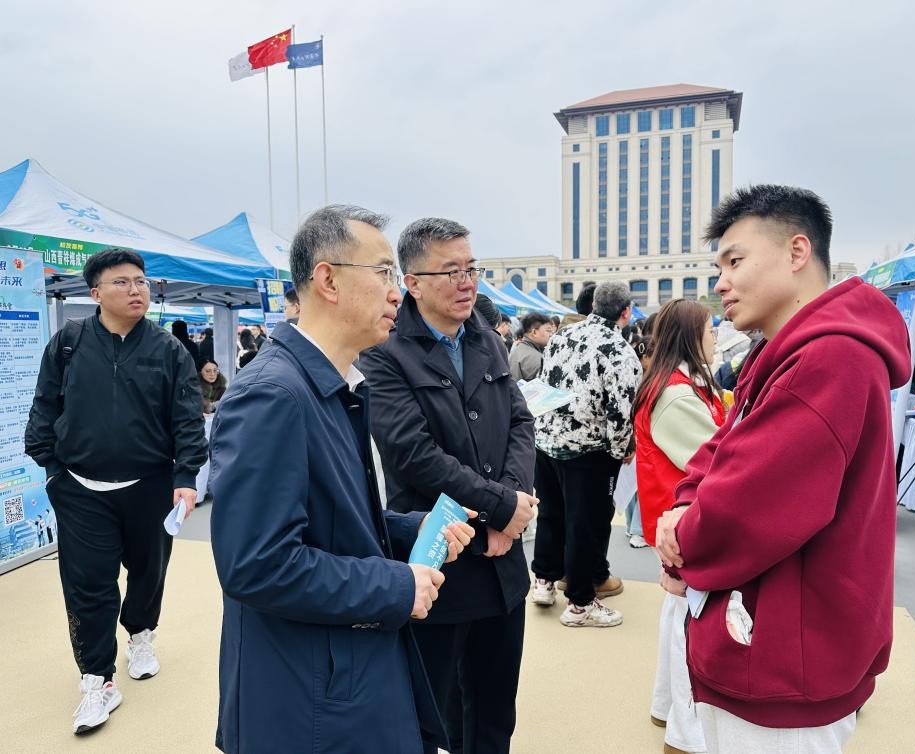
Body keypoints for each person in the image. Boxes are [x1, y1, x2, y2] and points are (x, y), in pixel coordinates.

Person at [209, 205, 475, 754]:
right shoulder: (273, 395)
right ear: (327, 280)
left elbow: (328, 519)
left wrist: (410, 528)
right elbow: (257, 564)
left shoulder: (334, 386)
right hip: (307, 696)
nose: (396, 293)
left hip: (339, 672)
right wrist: (396, 586)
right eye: (383, 273)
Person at [654, 185, 911, 752]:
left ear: (797, 252)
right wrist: (682, 507)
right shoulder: (782, 353)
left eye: (735, 261)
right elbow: (720, 450)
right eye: (719, 267)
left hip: (789, 651)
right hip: (779, 634)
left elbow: (747, 504)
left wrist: (682, 538)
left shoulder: (829, 358)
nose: (721, 282)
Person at [360, 217, 537, 754]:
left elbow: (521, 423)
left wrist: (511, 507)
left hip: (503, 566)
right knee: (432, 715)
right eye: (451, 271)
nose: (467, 282)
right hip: (441, 562)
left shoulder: (485, 337)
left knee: (495, 711)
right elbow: (412, 454)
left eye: (471, 268)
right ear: (412, 282)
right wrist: (500, 508)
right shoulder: (385, 351)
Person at [24, 247, 207, 735]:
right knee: (88, 585)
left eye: (141, 281)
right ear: (96, 293)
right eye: (122, 282)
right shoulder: (68, 343)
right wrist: (51, 468)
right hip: (80, 487)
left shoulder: (168, 349)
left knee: (148, 572)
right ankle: (97, 679)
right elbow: (45, 405)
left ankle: (141, 634)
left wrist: (186, 477)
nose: (135, 290)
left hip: (149, 485)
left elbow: (187, 417)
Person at [634, 300, 725, 754]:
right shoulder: (677, 395)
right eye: (710, 330)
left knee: (679, 614)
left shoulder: (673, 385)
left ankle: (668, 708)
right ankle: (685, 733)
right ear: (691, 337)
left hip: (671, 518)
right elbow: (716, 461)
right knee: (691, 622)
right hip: (683, 522)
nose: (716, 338)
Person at [531, 281, 642, 627]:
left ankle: (544, 580)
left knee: (551, 513)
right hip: (588, 450)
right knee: (585, 524)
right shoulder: (620, 352)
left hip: (547, 440)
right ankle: (580, 603)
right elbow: (621, 412)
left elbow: (545, 383)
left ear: (593, 305)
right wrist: (623, 449)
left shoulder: (561, 336)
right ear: (626, 312)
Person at [622, 334, 653, 551]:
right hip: (640, 436)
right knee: (642, 484)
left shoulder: (631, 375)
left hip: (632, 436)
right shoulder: (645, 380)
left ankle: (632, 526)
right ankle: (638, 530)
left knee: (633, 485)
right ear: (644, 357)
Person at [508, 312, 554, 381]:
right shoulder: (537, 358)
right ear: (534, 332)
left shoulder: (519, 348)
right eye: (548, 330)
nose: (551, 335)